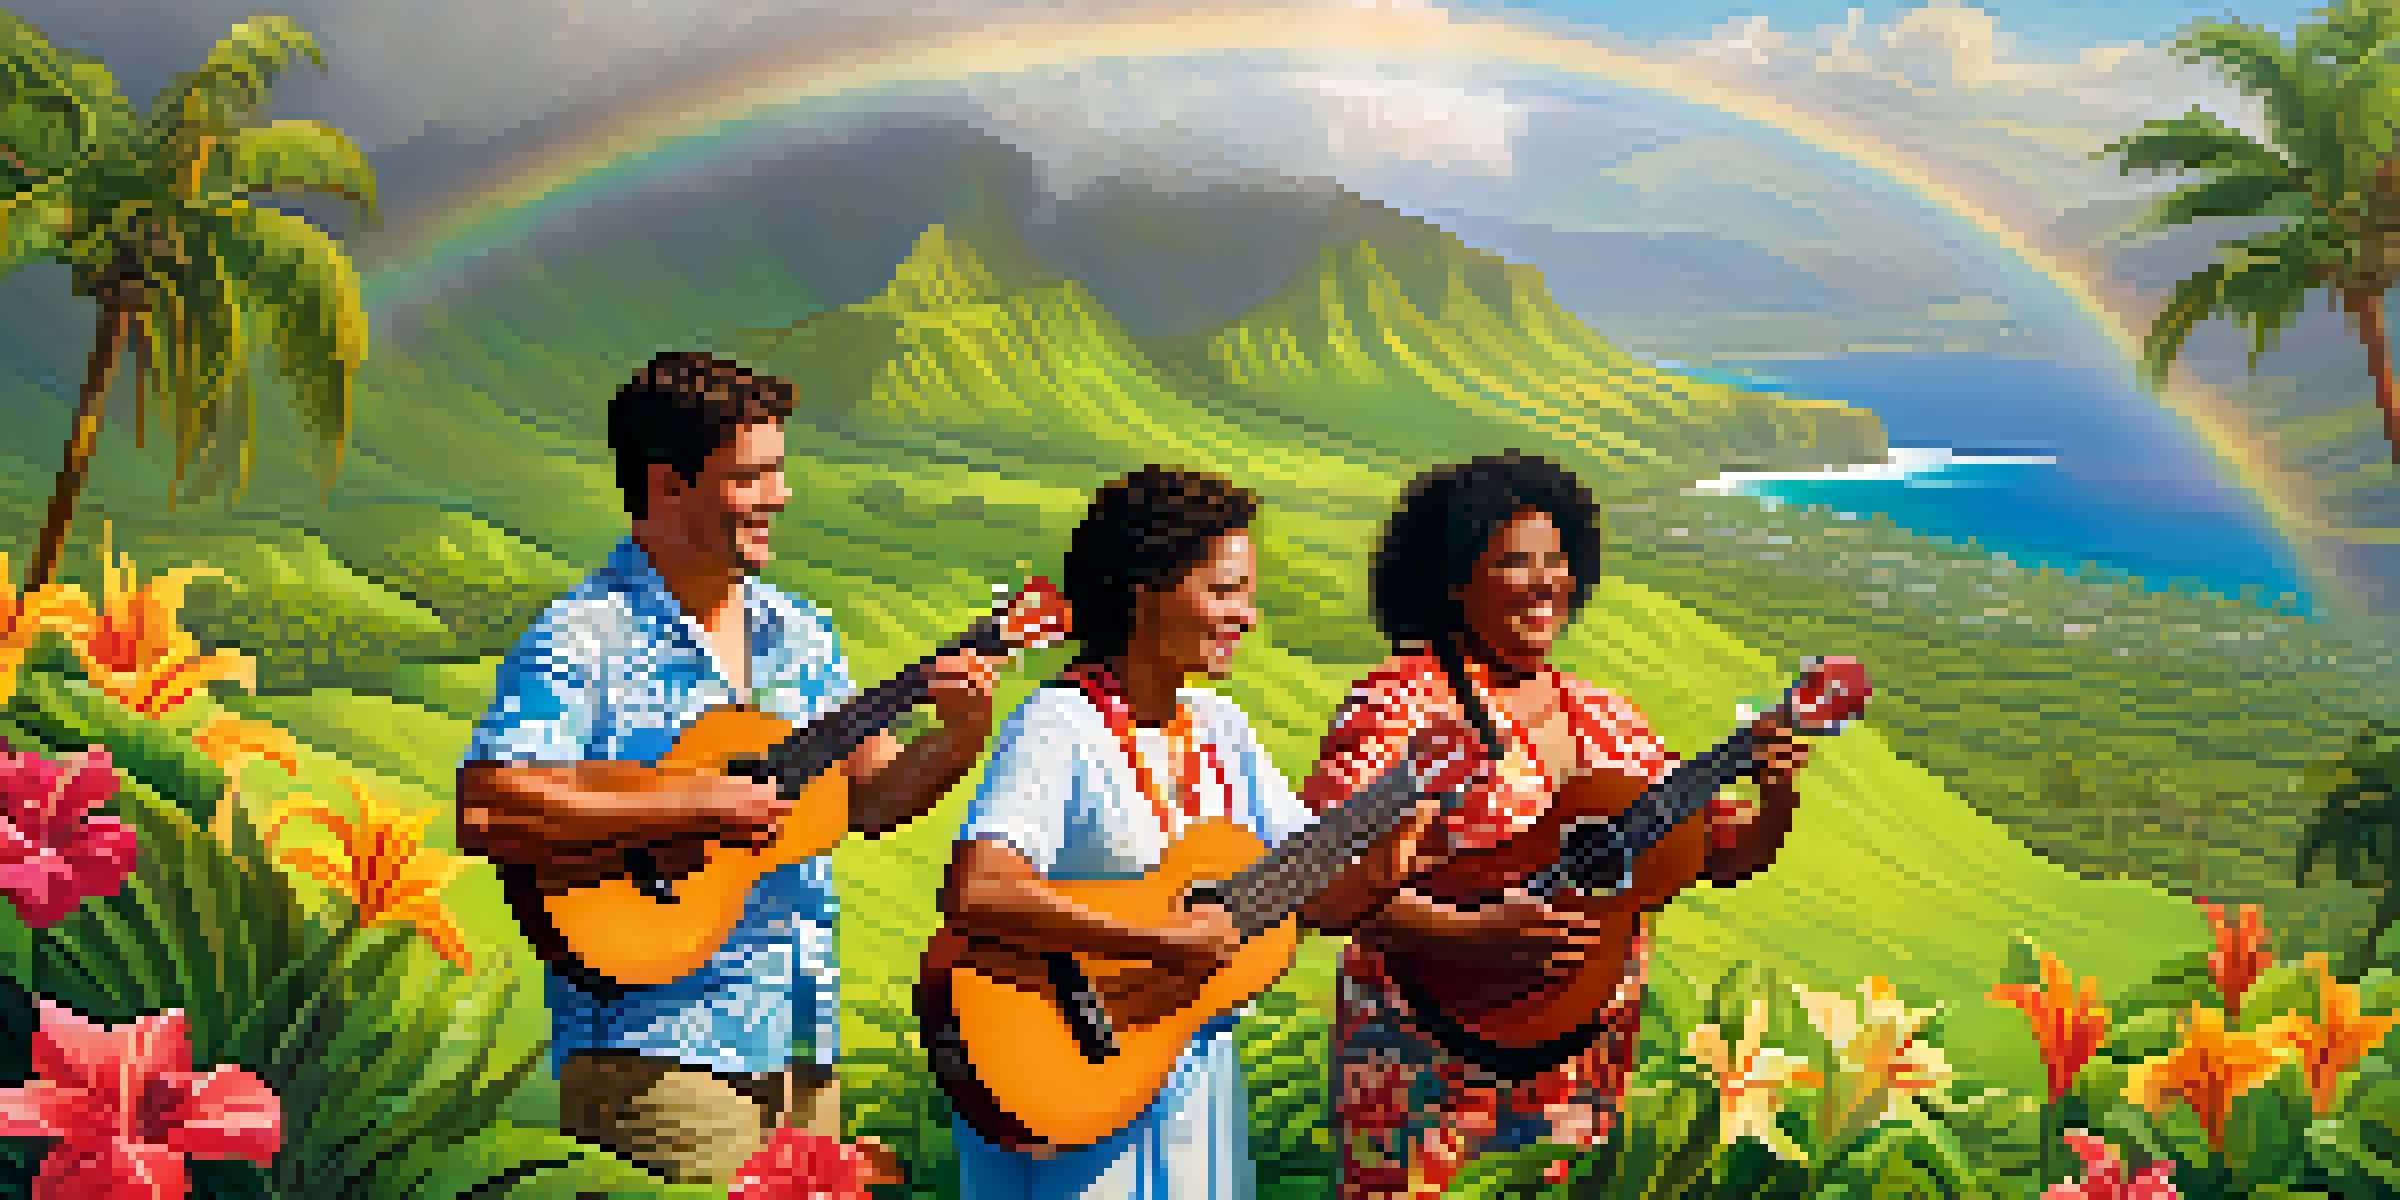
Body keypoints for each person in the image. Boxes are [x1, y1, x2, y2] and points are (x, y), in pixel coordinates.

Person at [453, 350, 1001, 1185]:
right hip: (655, 1054)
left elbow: (874, 797)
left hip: (804, 1048)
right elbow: (490, 803)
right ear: (668, 485)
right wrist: (690, 803)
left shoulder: (802, 635)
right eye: (753, 476)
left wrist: (958, 735)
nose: (779, 496)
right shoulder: (583, 637)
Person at [1300, 451, 1815, 1197]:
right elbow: (1321, 885)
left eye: (1558, 559)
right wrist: (1470, 933)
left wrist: (1777, 792)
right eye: (1515, 561)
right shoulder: (1400, 707)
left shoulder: (1608, 718)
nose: (1548, 582)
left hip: (1584, 1072)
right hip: (1425, 1072)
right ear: (1452, 580)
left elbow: (1715, 852)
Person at [941, 466, 1356, 1200]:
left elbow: (1317, 891)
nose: (1247, 616)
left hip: (1193, 1092)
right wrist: (1156, 940)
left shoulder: (1223, 728)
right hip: (1076, 1079)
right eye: (1225, 591)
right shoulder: (1058, 724)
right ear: (1144, 592)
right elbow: (979, 887)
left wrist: (1394, 830)